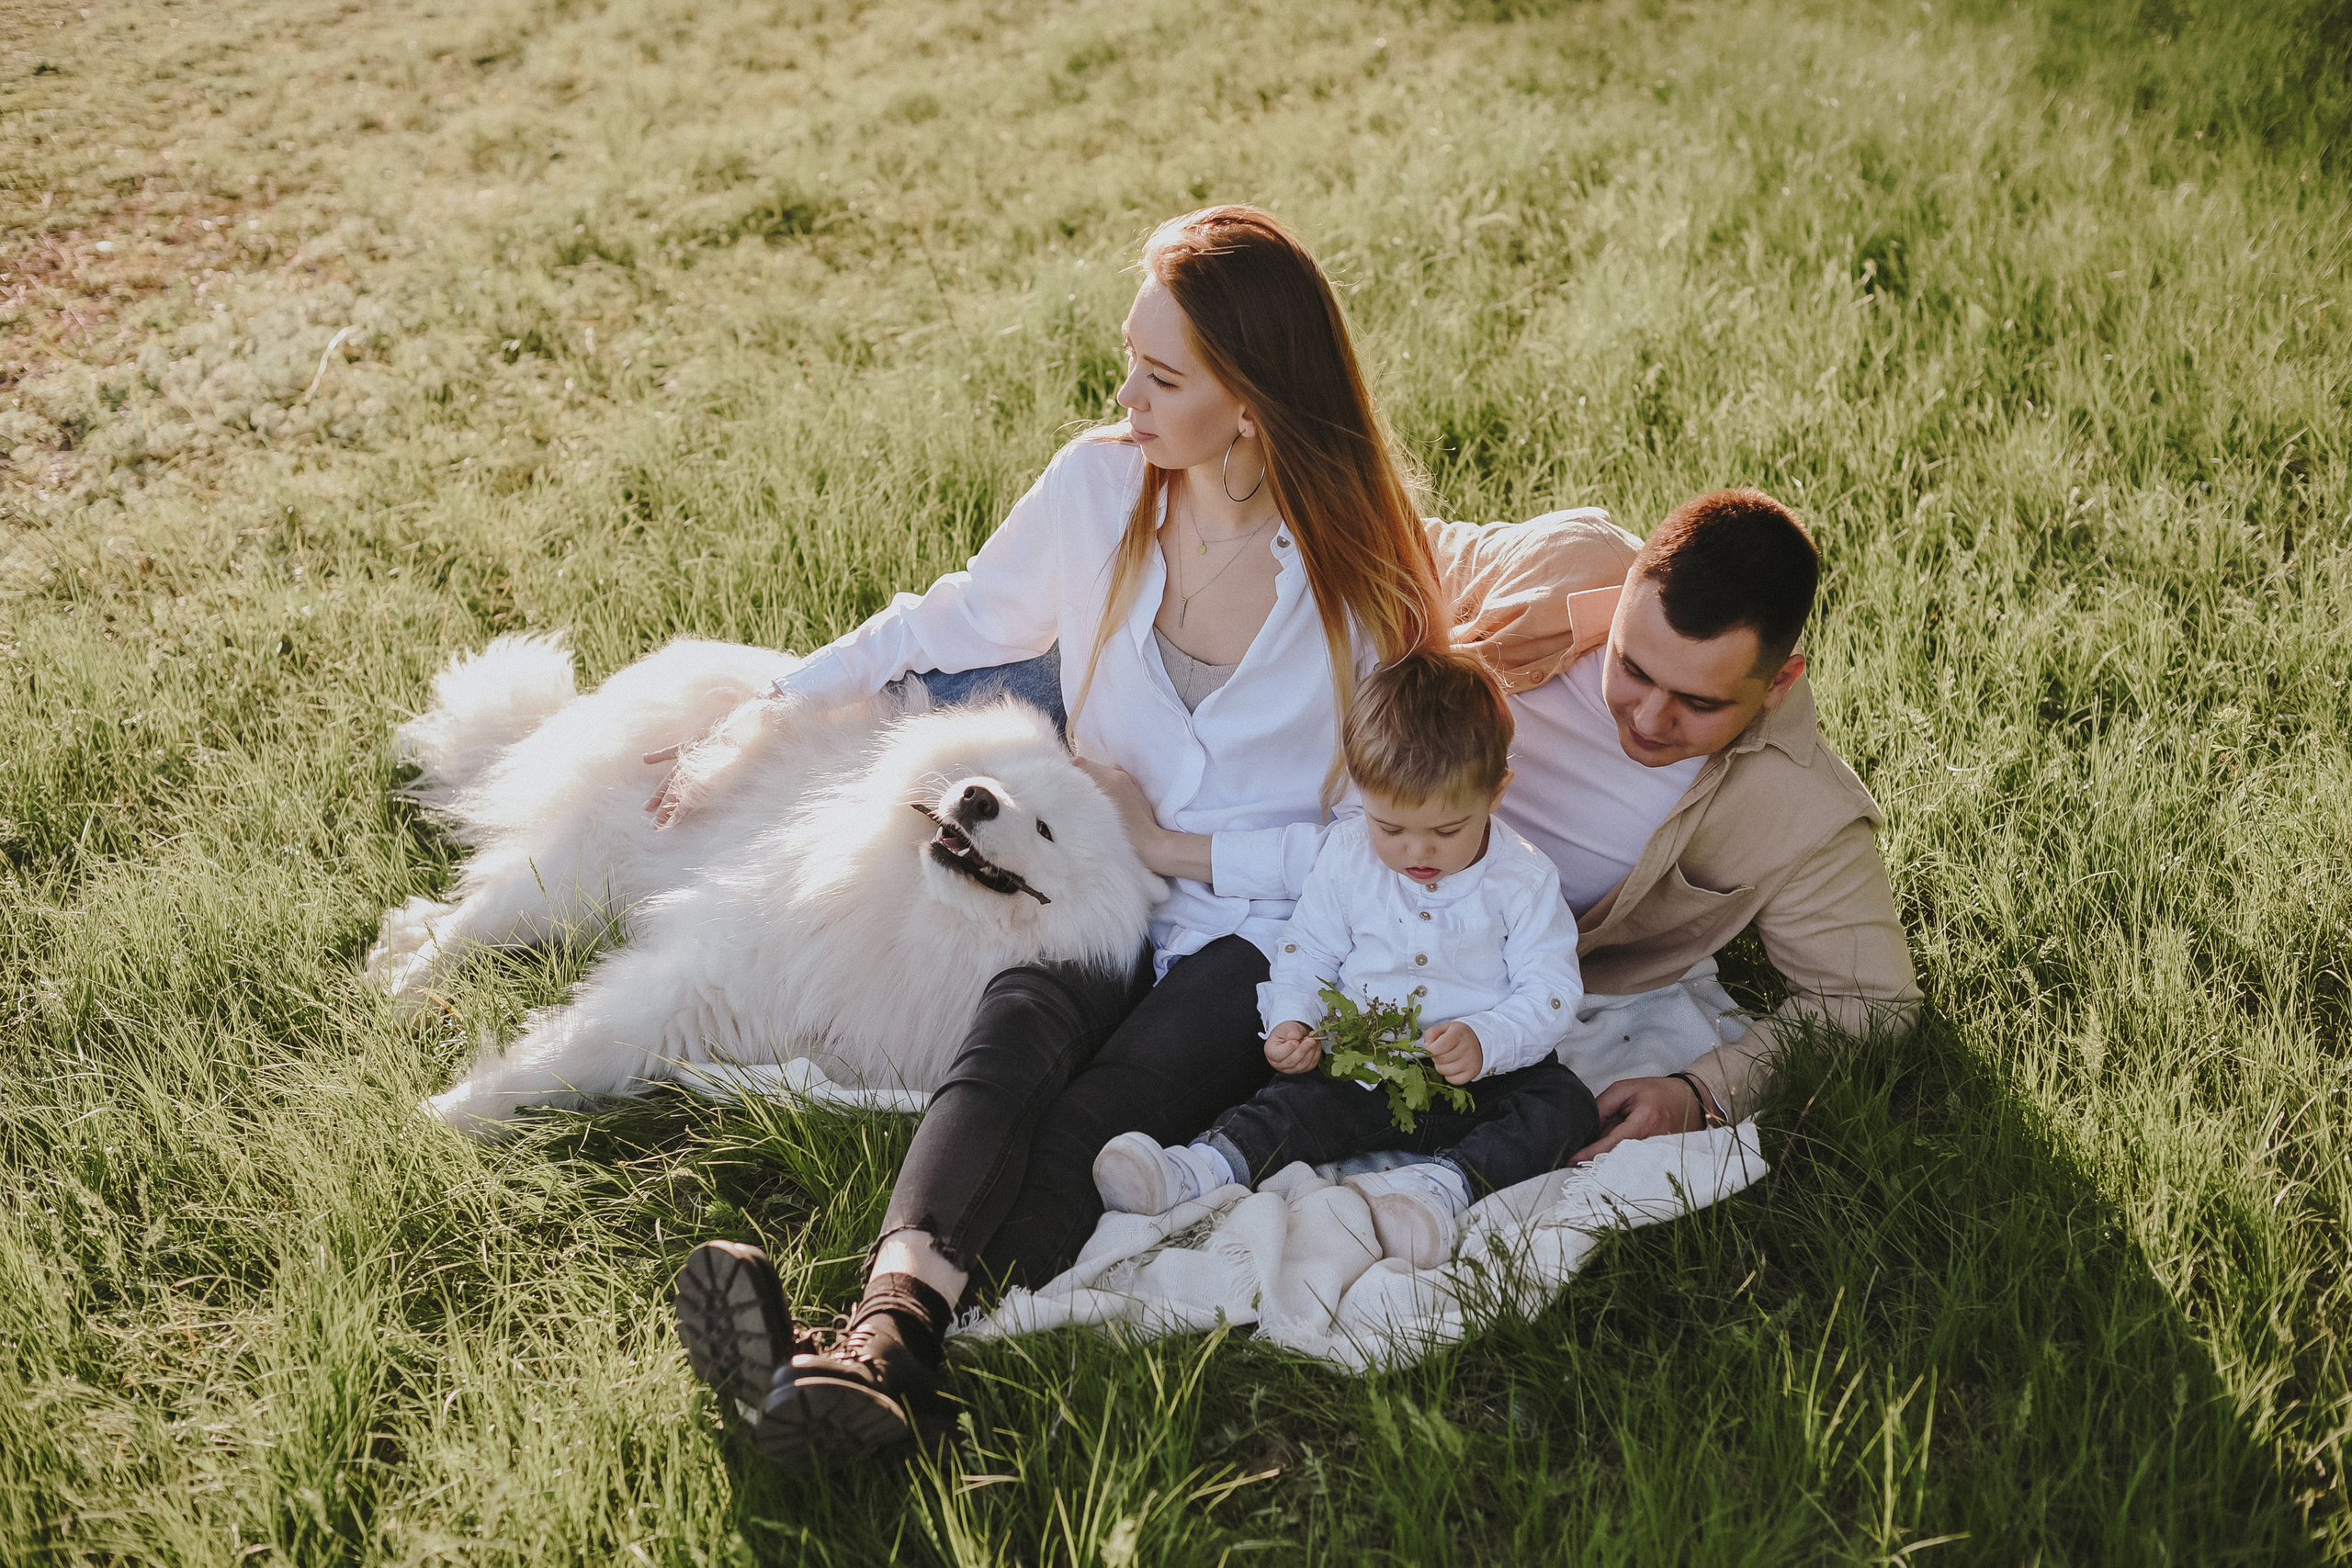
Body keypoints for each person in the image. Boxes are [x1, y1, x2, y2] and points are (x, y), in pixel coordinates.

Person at [658, 205, 1449, 1471]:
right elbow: (952, 614)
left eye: (1162, 376)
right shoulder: (1098, 486)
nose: (1124, 394)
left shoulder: (1367, 582)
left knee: (1111, 1097)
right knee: (1012, 1032)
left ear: (1250, 404)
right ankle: (879, 1345)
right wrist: (765, 706)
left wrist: (1181, 846)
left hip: (1260, 929)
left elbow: (1387, 841)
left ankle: (865, 1349)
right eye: (1129, 358)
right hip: (1100, 875)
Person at [1430, 490, 1923, 1156]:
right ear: (1626, 587)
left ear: (1779, 683)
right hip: (1318, 850)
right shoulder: (1574, 560)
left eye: (1697, 702)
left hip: (1467, 976)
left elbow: (1872, 1000)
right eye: (1633, 667)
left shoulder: (1804, 809)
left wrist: (1699, 1093)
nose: (1648, 718)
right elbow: (1384, 548)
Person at [1091, 646, 1599, 1269]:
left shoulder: (1522, 880)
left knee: (1564, 1105)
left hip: (1488, 1076)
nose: (1418, 850)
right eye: (1392, 827)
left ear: (1497, 792)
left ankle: (1441, 1189)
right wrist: (1291, 1020)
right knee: (1293, 1100)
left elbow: (1550, 987)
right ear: (1362, 794)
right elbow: (1307, 952)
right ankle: (1198, 1167)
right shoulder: (1348, 857)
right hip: (1367, 1063)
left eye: (1445, 831)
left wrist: (1487, 1038)